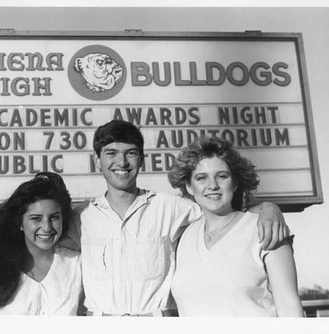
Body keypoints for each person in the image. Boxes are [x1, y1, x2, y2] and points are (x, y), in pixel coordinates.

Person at [66, 120, 289, 316]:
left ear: (142, 159)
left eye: (131, 153)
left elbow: (220, 208)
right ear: (97, 160)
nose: (122, 162)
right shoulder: (82, 217)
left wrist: (268, 207)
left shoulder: (170, 206)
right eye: (111, 153)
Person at [168, 136, 303, 317]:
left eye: (222, 176)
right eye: (201, 178)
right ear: (189, 187)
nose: (213, 185)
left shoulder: (264, 228)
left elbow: (290, 309)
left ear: (235, 183)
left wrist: (270, 207)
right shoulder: (184, 237)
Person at [0, 172, 83, 315]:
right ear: (20, 222)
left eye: (54, 217)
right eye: (36, 218)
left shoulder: (77, 264)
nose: (47, 227)